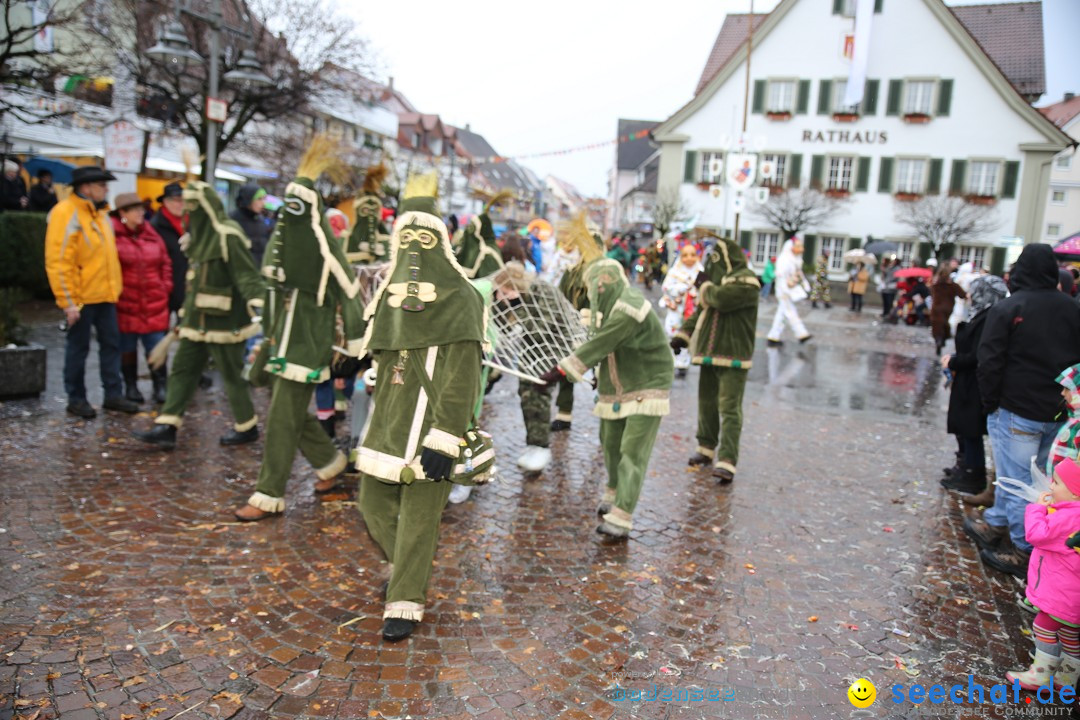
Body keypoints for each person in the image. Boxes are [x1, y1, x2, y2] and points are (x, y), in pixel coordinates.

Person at [355, 172, 487, 642]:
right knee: (371, 503)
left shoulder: (462, 296)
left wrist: (446, 434)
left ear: (441, 241)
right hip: (387, 420)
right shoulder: (388, 296)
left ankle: (405, 601)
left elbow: (464, 372)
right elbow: (382, 355)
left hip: (432, 425)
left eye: (424, 236)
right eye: (405, 236)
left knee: (418, 517)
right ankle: (405, 570)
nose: (414, 246)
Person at [235, 139, 367, 522]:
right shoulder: (283, 239)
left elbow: (349, 290)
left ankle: (268, 493)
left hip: (309, 342)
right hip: (279, 338)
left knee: (280, 417)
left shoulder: (324, 245)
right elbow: (272, 285)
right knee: (288, 410)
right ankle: (329, 462)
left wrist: (356, 343)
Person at [967, 244, 1080, 577]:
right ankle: (996, 523)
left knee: (1016, 481)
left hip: (1016, 409)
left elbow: (988, 362)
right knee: (1038, 479)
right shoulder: (1072, 308)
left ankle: (1023, 550)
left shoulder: (1009, 307)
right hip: (1058, 410)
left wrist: (990, 404)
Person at [543, 258, 673, 538]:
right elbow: (597, 339)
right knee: (611, 443)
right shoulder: (608, 308)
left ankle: (622, 516)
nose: (594, 295)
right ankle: (613, 493)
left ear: (605, 283)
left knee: (632, 451)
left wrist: (564, 368)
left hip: (648, 383)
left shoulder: (630, 303)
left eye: (595, 289)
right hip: (615, 386)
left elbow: (605, 341)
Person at [132, 180, 266, 450]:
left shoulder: (228, 235)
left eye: (192, 207)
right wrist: (185, 314)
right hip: (196, 320)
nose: (187, 213)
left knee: (232, 374)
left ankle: (247, 425)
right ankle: (168, 425)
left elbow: (245, 274)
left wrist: (262, 305)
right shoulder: (197, 238)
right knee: (182, 369)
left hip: (226, 320)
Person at [44, 165, 139, 418]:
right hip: (82, 299)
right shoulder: (66, 213)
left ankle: (113, 394)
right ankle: (76, 398)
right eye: (102, 185)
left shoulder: (100, 214)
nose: (106, 189)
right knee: (78, 349)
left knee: (111, 345)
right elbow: (59, 261)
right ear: (86, 188)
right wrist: (68, 302)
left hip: (105, 295)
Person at [671, 235, 760, 483]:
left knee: (729, 408)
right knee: (706, 403)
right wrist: (683, 336)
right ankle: (706, 447)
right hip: (708, 355)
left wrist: (705, 287)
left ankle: (728, 459)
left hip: (734, 356)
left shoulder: (747, 282)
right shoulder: (714, 285)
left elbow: (720, 298)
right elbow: (702, 310)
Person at [1003, 457, 1080, 691]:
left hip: (1061, 594)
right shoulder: (1073, 514)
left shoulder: (1067, 518)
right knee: (1069, 633)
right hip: (1072, 596)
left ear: (1076, 493)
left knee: (1043, 626)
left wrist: (1036, 508)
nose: (1051, 487)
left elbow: (1037, 535)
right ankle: (1067, 678)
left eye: (1056, 483)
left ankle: (1040, 676)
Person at [940, 275, 1008, 499]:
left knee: (971, 428)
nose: (969, 296)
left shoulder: (989, 318)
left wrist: (955, 361)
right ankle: (966, 467)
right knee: (966, 428)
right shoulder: (982, 314)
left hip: (974, 382)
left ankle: (973, 473)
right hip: (968, 380)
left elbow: (979, 355)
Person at [111, 192, 172, 405]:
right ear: (122, 214)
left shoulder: (151, 234)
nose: (141, 213)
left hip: (154, 300)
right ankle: (131, 386)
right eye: (135, 210)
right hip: (126, 302)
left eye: (141, 209)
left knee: (156, 346)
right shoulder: (113, 236)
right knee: (127, 347)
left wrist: (165, 286)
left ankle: (160, 385)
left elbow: (165, 262)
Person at [661, 244, 703, 379]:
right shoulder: (675, 272)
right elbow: (666, 287)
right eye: (685, 255)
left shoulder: (700, 272)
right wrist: (680, 289)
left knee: (688, 333)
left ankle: (684, 361)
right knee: (673, 332)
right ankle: (674, 357)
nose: (689, 258)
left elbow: (705, 289)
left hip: (692, 310)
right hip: (677, 308)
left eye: (692, 255)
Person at [150, 183, 189, 319]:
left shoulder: (190, 224)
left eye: (183, 200)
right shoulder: (155, 226)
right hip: (164, 288)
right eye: (176, 200)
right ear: (166, 202)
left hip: (186, 286)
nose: (181, 204)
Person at [766, 237, 811, 346]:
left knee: (782, 314)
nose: (801, 249)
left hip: (789, 290)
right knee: (790, 312)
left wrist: (805, 284)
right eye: (798, 246)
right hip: (784, 291)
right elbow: (780, 276)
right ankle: (801, 333)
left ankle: (773, 336)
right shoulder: (784, 259)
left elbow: (799, 273)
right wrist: (785, 290)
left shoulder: (795, 259)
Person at [348, 163, 390, 264]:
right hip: (358, 241)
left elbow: (377, 223)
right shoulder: (367, 199)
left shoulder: (374, 200)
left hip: (371, 242)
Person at [229, 183, 270, 267]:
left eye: (264, 199)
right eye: (259, 199)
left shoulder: (261, 221)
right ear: (248, 199)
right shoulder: (232, 220)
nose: (263, 203)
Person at [930, 264, 966, 355]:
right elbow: (962, 295)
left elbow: (931, 293)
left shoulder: (936, 284)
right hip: (948, 308)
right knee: (944, 323)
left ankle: (939, 339)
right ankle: (942, 338)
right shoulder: (953, 285)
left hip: (936, 307)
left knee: (937, 324)